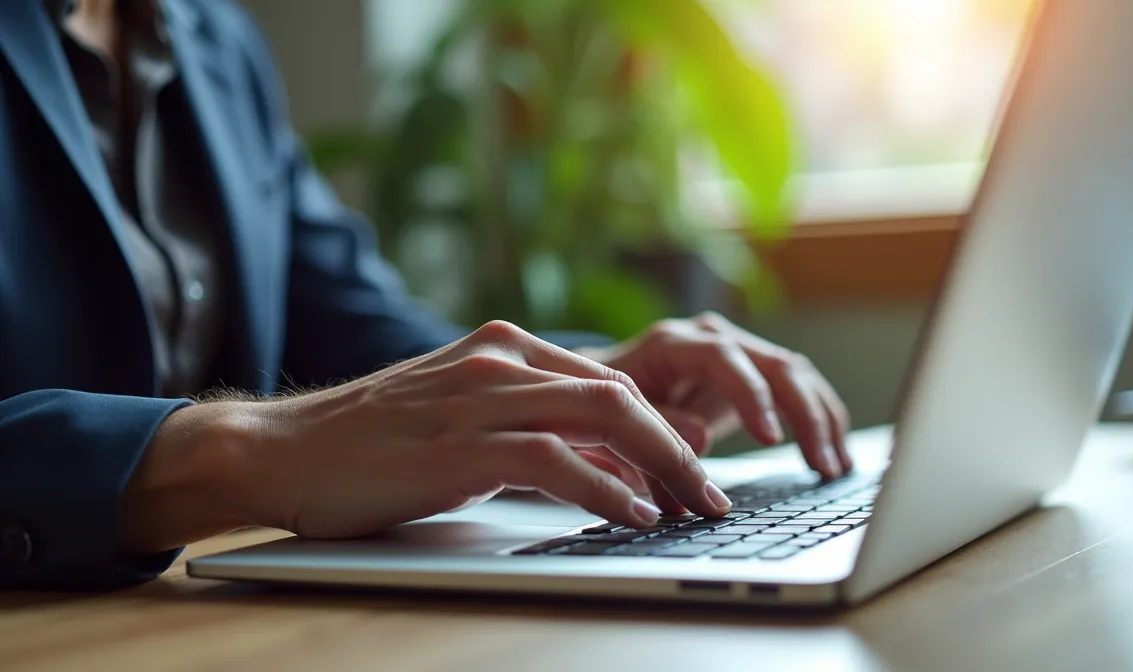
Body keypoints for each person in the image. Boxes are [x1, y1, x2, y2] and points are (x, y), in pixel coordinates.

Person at [0, 0, 851, 591]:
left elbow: (353, 328)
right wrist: (237, 452)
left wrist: (580, 385)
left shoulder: (213, 39)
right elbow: (301, 431)